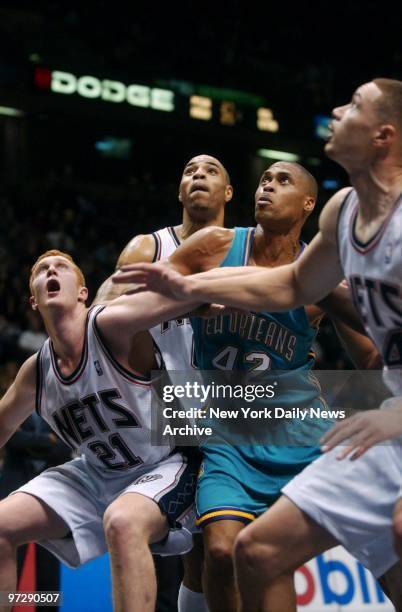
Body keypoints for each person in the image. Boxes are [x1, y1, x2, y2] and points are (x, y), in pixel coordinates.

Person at [121, 78, 402, 609]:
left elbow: (358, 341)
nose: (338, 108)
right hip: (220, 422)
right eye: (263, 179)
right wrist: (186, 289)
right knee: (248, 552)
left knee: (394, 540)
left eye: (355, 104)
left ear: (384, 135)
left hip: (309, 422)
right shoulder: (341, 214)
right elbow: (293, 284)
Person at [0, 249, 205, 612]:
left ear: (82, 292)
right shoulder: (36, 370)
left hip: (165, 464)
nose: (51, 270)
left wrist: (212, 294)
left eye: (61, 267)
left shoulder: (111, 324)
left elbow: (185, 297)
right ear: (33, 299)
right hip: (96, 473)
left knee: (124, 522)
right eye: (41, 269)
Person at [96, 153, 233, 612]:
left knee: (213, 554)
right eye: (190, 170)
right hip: (162, 418)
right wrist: (185, 300)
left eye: (211, 171)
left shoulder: (248, 252)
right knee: (188, 546)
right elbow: (102, 315)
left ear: (229, 193)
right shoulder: (146, 247)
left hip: (231, 413)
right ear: (179, 191)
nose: (198, 176)